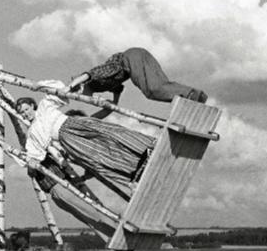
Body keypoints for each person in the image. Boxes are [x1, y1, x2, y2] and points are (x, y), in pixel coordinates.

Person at [16, 88, 156, 200]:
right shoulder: (33, 132)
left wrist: (41, 86)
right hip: (69, 139)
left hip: (75, 125)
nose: (25, 114)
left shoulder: (44, 108)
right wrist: (31, 163)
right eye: (22, 113)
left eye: (26, 109)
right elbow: (34, 155)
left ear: (32, 106)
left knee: (110, 133)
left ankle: (145, 146)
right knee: (99, 158)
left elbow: (58, 91)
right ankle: (132, 178)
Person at [67, 47, 208, 103]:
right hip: (136, 58)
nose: (82, 98)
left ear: (81, 86)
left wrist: (69, 87)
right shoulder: (101, 87)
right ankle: (191, 97)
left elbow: (89, 74)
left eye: (79, 94)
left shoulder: (95, 80)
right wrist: (114, 103)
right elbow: (117, 90)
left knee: (153, 89)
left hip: (132, 58)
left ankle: (190, 95)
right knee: (156, 88)